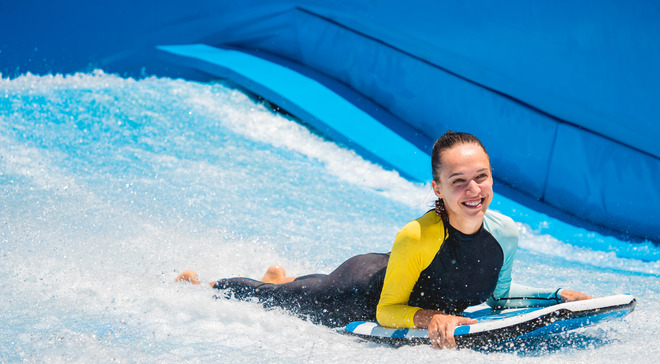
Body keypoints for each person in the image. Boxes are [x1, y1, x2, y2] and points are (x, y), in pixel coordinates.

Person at [177, 131, 591, 349]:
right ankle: (207, 285)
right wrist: (430, 318)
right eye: (458, 181)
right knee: (288, 300)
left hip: (390, 277)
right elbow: (387, 309)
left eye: (481, 177)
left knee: (296, 286)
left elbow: (500, 297)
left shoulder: (505, 234)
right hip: (358, 289)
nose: (473, 190)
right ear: (438, 189)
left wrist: (555, 295)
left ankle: (281, 277)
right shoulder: (417, 235)